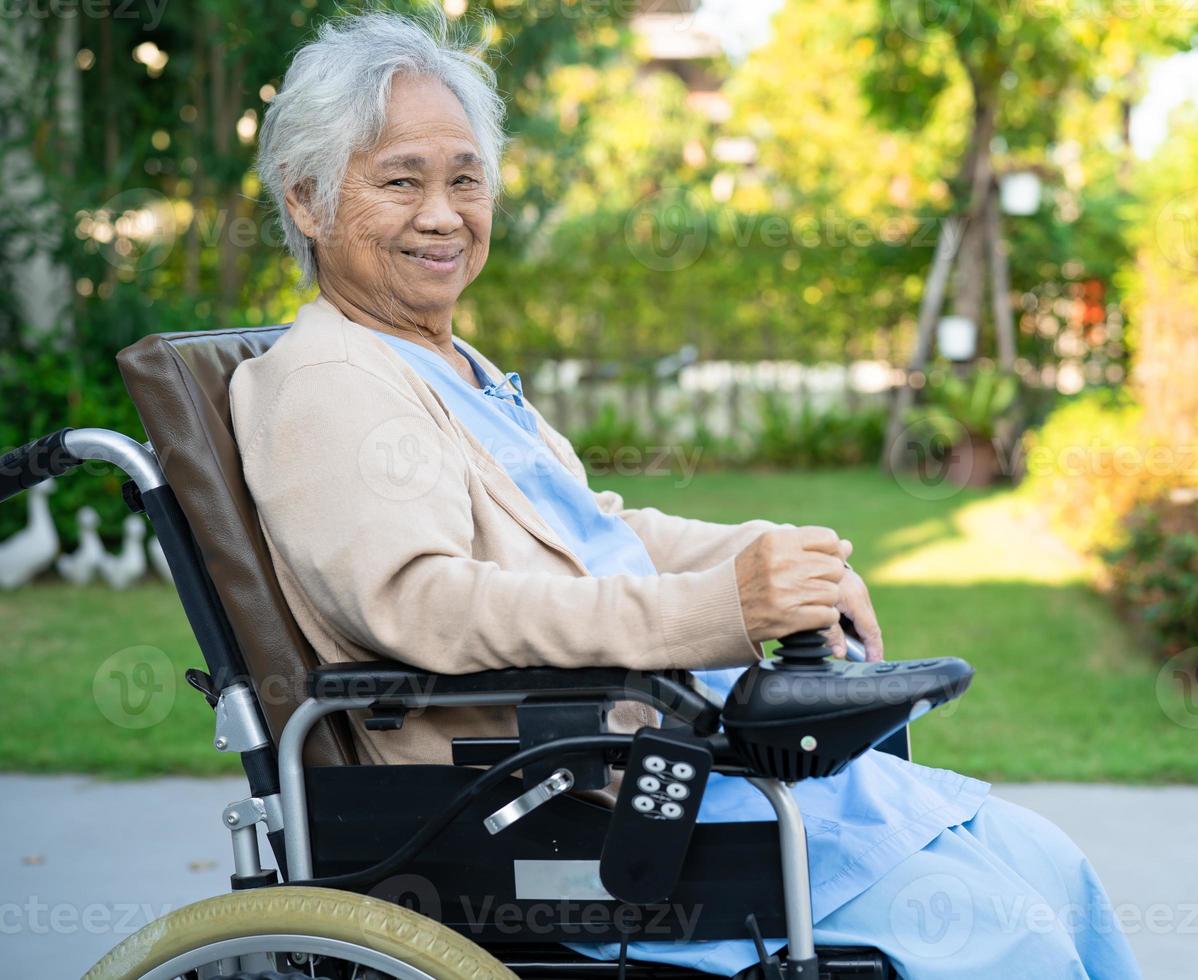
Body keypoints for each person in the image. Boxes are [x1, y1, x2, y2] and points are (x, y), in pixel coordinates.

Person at [231, 11, 1142, 978]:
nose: (445, 213)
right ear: (309, 202)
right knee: (994, 928)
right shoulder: (331, 378)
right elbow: (422, 605)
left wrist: (772, 553)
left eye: (465, 178)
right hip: (548, 814)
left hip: (651, 761)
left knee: (1047, 865)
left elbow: (590, 531)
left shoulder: (440, 361)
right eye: (401, 180)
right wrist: (720, 610)